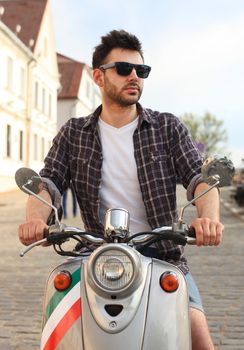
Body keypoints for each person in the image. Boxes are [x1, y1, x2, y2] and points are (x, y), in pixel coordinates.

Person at [18, 29, 223, 350]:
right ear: (98, 77)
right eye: (124, 69)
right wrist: (35, 221)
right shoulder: (74, 133)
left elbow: (200, 179)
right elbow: (48, 183)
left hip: (163, 255)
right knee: (58, 337)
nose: (134, 77)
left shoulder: (168, 127)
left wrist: (208, 219)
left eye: (141, 71)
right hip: (96, 255)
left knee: (200, 342)